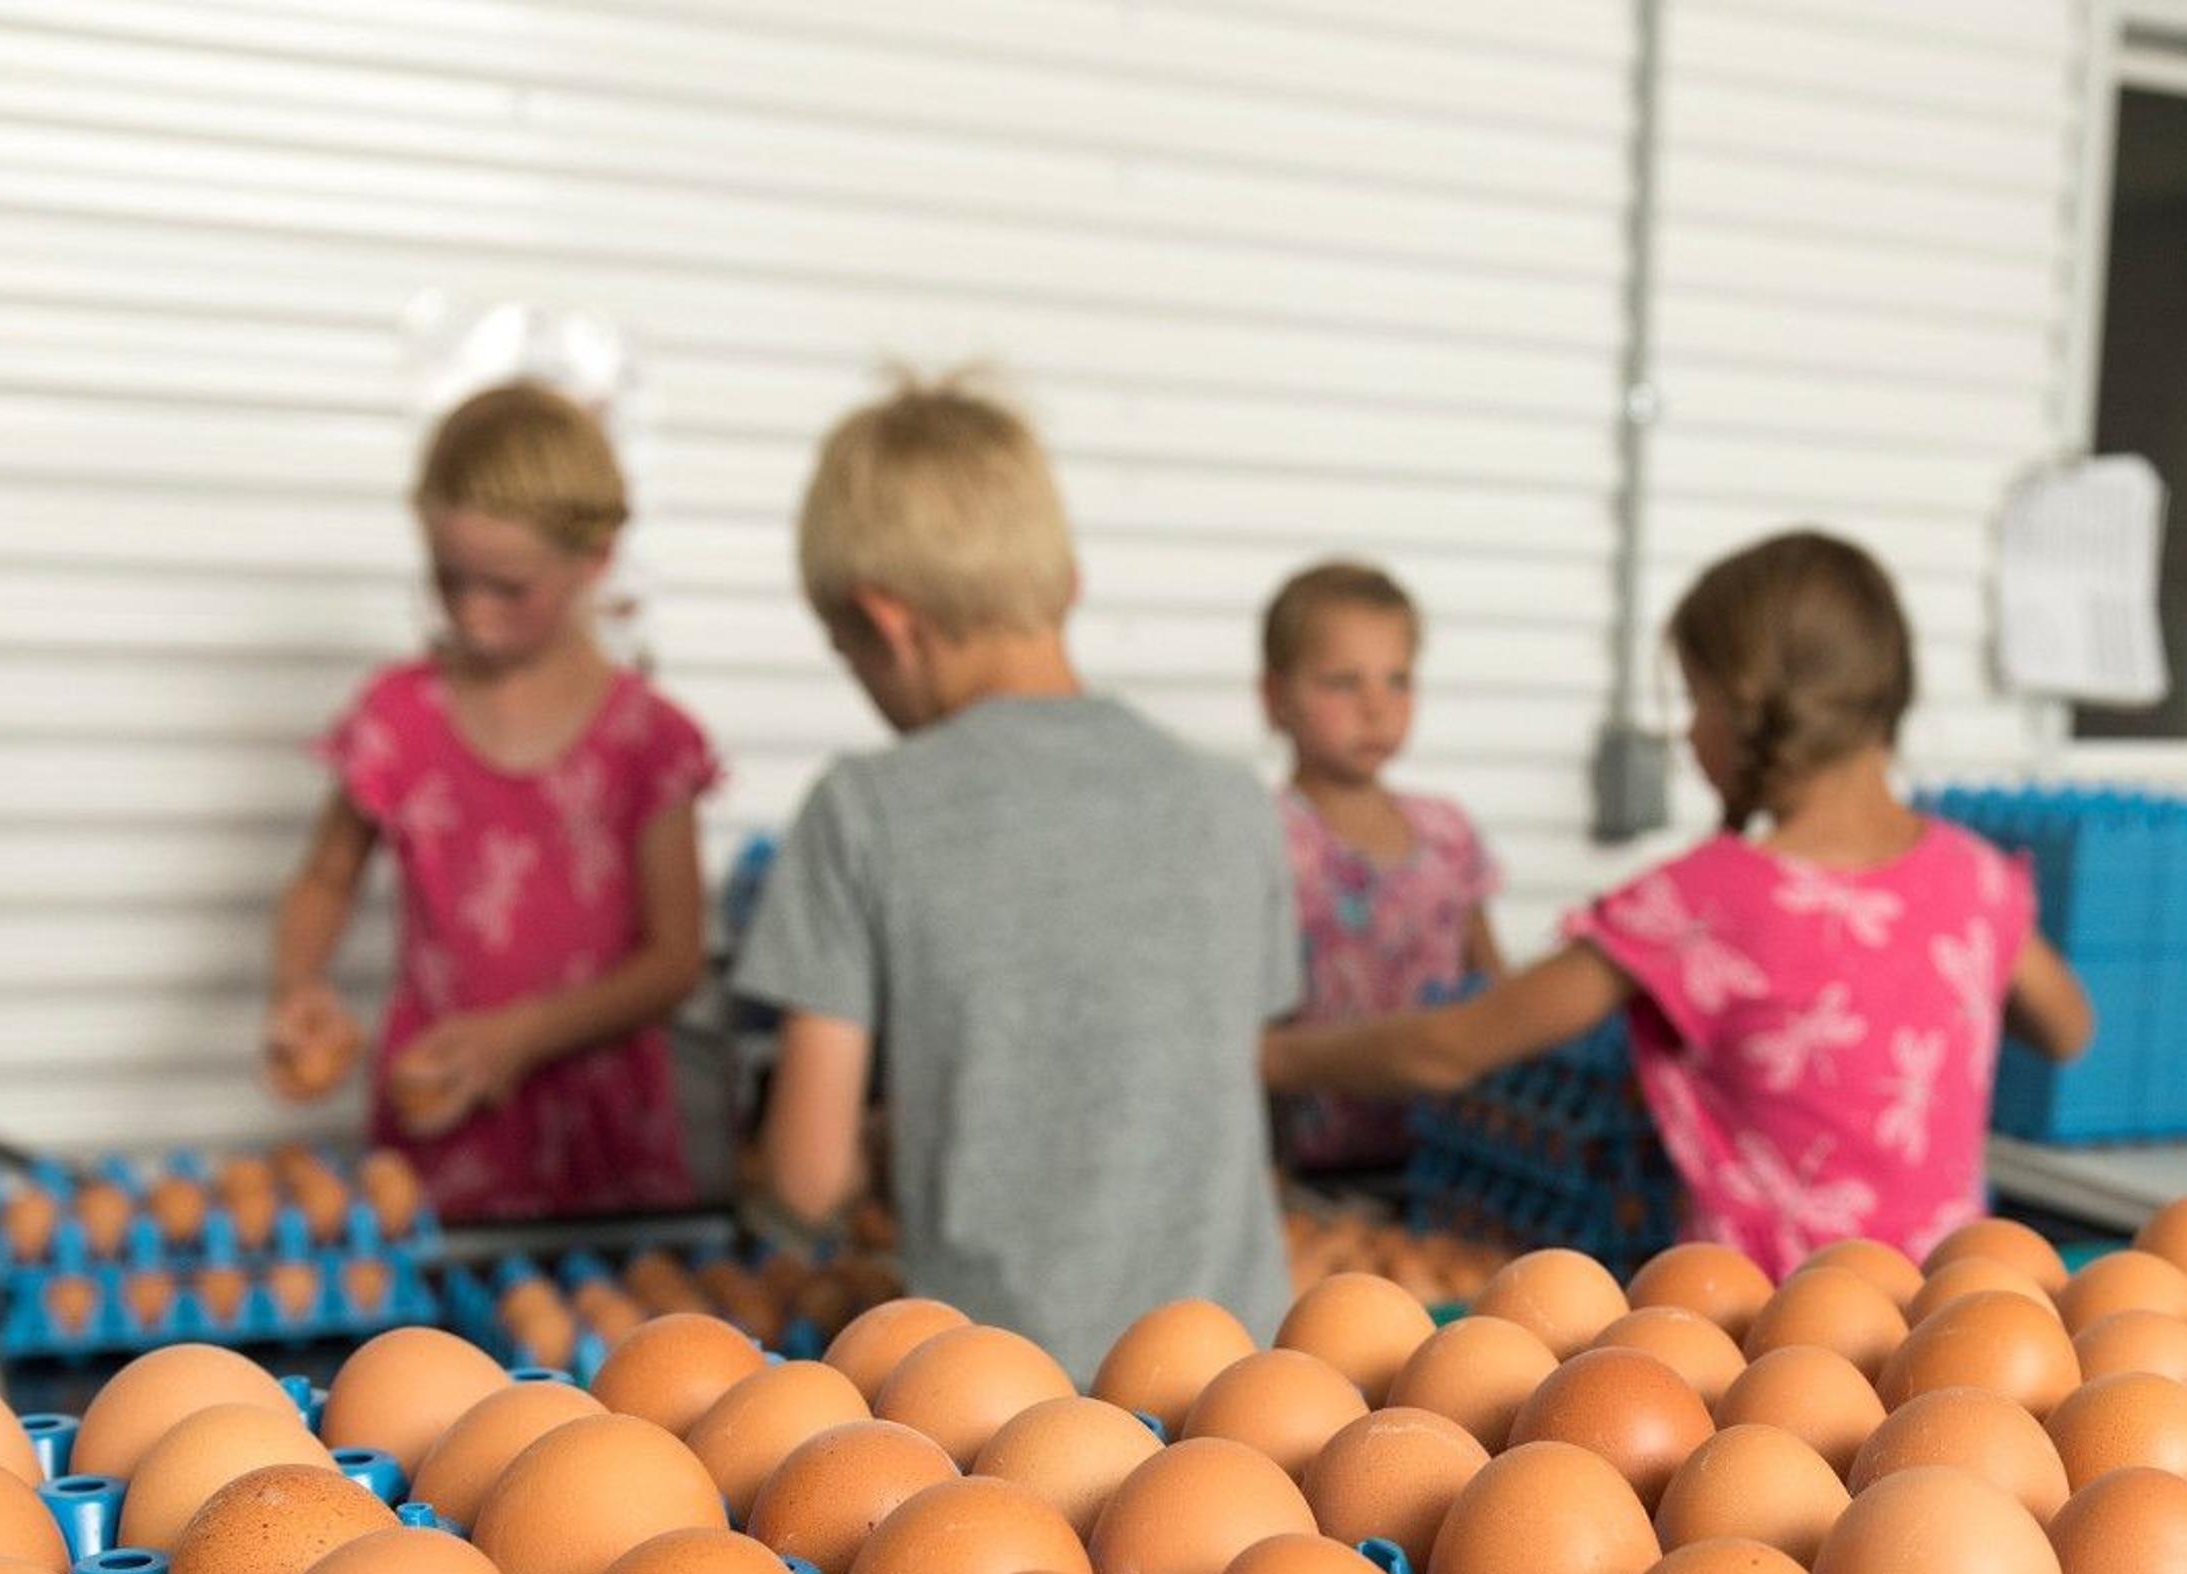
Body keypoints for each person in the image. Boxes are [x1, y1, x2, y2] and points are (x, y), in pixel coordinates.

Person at [1263, 529, 2094, 1270]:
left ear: (1743, 709)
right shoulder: (1971, 877)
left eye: (1694, 701)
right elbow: (2068, 1030)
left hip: (1760, 1343)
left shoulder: (1702, 903)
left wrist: (1270, 1059)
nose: (1690, 731)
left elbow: (1450, 1049)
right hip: (1944, 1317)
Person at [732, 371, 1300, 1380]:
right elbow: (1198, 1074)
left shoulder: (866, 811)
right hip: (1241, 1397)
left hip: (1005, 1410)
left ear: (889, 625)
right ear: (1063, 584)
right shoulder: (1231, 801)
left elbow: (808, 1179)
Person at [260, 379, 717, 1217]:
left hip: (605, 1143)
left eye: (507, 588)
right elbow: (326, 879)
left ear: (596, 558)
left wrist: (526, 1036)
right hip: (441, 1128)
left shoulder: (649, 744)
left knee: (625, 1341)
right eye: (449, 579)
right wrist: (300, 987)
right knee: (429, 1345)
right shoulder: (398, 720)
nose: (473, 617)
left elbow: (674, 960)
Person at [1259, 559, 1506, 1173]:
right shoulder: (1266, 836)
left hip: (1448, 1163)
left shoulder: (1447, 833)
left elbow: (1494, 986)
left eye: (1397, 680)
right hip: (1305, 1167)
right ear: (1274, 698)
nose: (1376, 706)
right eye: (1343, 682)